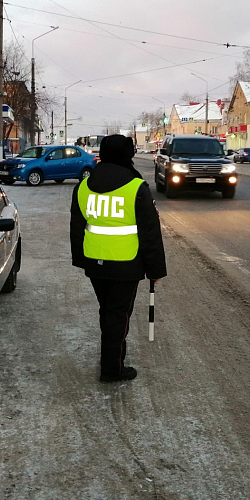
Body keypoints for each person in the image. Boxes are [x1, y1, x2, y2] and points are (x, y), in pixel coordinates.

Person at [70, 134, 166, 383]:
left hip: (94, 262)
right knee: (118, 314)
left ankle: (112, 358)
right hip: (126, 264)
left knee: (108, 311)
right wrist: (155, 270)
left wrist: (80, 259)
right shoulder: (136, 187)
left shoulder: (83, 186)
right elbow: (150, 232)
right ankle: (112, 368)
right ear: (128, 155)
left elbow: (77, 226)